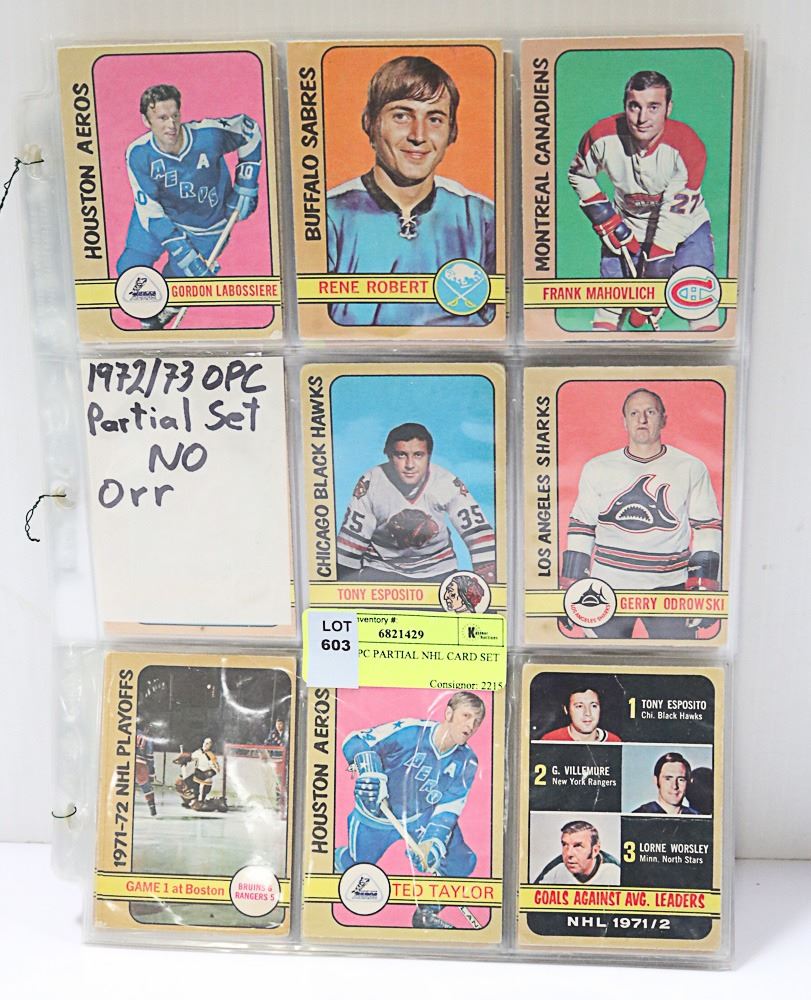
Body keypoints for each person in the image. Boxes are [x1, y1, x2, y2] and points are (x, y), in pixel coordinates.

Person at [327, 55, 495, 327]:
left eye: (435, 119)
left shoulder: (482, 218)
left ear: (452, 132)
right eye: (401, 116)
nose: (418, 135)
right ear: (370, 123)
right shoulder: (329, 217)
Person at [561, 388, 722, 639]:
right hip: (607, 587)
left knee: (675, 661)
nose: (642, 419)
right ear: (624, 421)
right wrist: (571, 585)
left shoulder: (690, 467)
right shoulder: (597, 468)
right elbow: (582, 526)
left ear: (663, 419)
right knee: (602, 661)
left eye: (650, 412)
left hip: (669, 588)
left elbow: (707, 527)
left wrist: (703, 587)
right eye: (634, 413)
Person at [569, 70, 719, 333]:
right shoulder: (601, 136)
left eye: (653, 107)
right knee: (609, 306)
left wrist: (653, 282)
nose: (642, 118)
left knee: (700, 304)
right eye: (634, 106)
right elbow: (579, 175)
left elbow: (672, 222)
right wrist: (605, 217)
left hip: (686, 230)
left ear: (668, 108)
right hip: (628, 229)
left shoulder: (688, 145)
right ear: (625, 106)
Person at [334, 691, 486, 930]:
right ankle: (335, 859)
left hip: (419, 818)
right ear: (448, 713)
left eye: (477, 721)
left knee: (461, 860)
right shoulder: (411, 731)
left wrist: (433, 843)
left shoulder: (468, 761)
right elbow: (355, 740)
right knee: (358, 869)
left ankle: (426, 913)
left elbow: (449, 807)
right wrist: (371, 772)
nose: (470, 726)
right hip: (375, 816)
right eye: (466, 716)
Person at [118, 83, 262, 329]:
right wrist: (182, 251)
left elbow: (248, 129)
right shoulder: (139, 153)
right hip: (160, 216)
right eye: (162, 118)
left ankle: (165, 312)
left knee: (178, 283)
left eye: (175, 116)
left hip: (207, 224)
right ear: (146, 120)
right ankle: (148, 320)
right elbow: (150, 211)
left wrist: (246, 184)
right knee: (130, 269)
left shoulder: (208, 136)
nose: (171, 125)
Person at [337, 422, 496, 583]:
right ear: (389, 455)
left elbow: (479, 534)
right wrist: (343, 585)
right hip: (382, 569)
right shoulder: (372, 481)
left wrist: (489, 583)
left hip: (437, 569)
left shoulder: (446, 482)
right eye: (401, 455)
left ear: (429, 456)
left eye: (418, 455)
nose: (410, 465)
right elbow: (351, 543)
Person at [536, 821, 621, 885]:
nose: (569, 854)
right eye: (565, 845)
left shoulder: (615, 871)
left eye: (578, 846)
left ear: (595, 851)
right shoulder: (555, 869)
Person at [541, 685, 620, 742]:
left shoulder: (614, 741)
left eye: (594, 706)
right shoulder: (551, 740)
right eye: (579, 706)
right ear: (566, 710)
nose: (587, 713)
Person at [633, 752, 699, 815]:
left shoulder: (696, 817)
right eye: (668, 779)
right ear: (656, 780)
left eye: (681, 780)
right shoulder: (639, 815)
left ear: (688, 782)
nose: (674, 786)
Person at [189, 736, 220, 808]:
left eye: (208, 743)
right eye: (205, 743)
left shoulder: (211, 756)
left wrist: (210, 773)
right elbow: (190, 758)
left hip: (206, 777)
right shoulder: (197, 752)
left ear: (210, 745)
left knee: (205, 788)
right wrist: (184, 759)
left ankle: (201, 801)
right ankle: (195, 800)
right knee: (195, 788)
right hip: (198, 774)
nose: (206, 745)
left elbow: (217, 768)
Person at [134, 728, 158, 816]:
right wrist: (151, 773)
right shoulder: (148, 738)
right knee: (147, 787)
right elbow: (149, 756)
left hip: (127, 762)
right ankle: (152, 809)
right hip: (140, 762)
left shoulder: (128, 731)